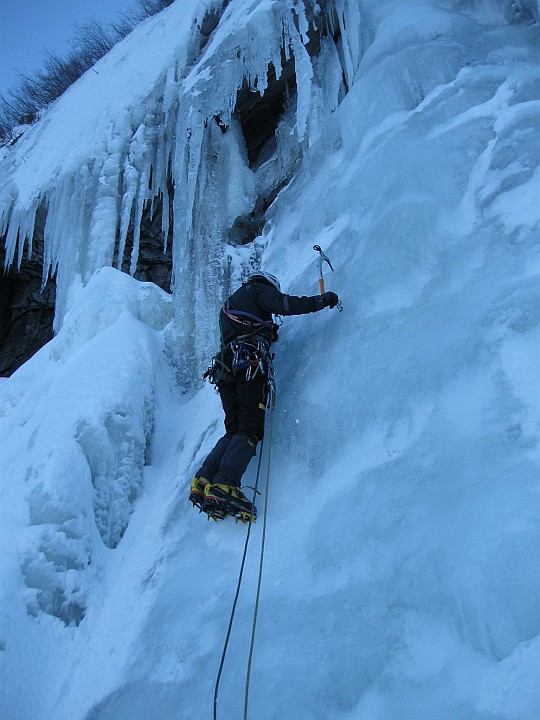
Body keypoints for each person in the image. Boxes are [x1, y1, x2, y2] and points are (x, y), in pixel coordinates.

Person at [189, 271, 339, 521]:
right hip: (248, 364)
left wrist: (269, 331)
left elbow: (250, 326)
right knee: (250, 428)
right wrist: (320, 301)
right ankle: (225, 485)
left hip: (227, 372)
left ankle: (204, 480)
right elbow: (285, 304)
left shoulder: (231, 304)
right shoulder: (256, 290)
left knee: (234, 428)